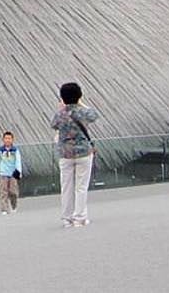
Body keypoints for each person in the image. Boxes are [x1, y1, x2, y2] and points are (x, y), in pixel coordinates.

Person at [51, 81, 99, 228]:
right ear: (79, 95)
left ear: (62, 98)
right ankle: (80, 217)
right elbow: (94, 115)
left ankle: (67, 218)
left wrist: (63, 108)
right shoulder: (83, 112)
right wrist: (81, 103)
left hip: (65, 154)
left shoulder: (60, 115)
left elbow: (53, 125)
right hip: (84, 152)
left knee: (66, 186)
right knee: (81, 187)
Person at [0, 130, 22, 215]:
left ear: (12, 140)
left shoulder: (15, 150)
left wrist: (18, 172)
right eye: (6, 138)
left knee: (13, 191)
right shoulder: (1, 150)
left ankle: (14, 206)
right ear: (3, 139)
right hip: (3, 173)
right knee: (3, 191)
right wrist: (0, 170)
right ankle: (4, 209)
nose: (7, 140)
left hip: (13, 173)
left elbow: (18, 162)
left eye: (9, 138)